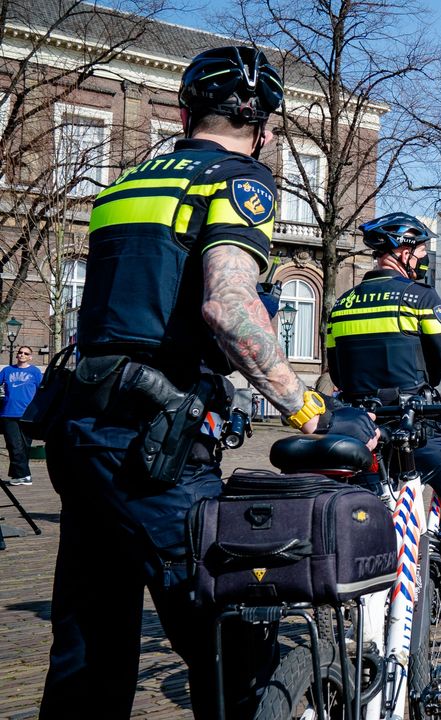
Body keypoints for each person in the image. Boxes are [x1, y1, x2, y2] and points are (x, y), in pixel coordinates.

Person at [38, 46, 375, 719]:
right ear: (261, 122)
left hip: (81, 431)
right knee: (232, 648)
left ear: (188, 111)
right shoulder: (237, 178)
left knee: (90, 649)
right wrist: (307, 409)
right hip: (154, 449)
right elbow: (227, 304)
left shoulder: (126, 185)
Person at [325, 212, 441, 624]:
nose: (422, 260)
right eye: (420, 252)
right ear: (403, 252)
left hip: (362, 430)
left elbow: (336, 371)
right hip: (415, 424)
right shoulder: (419, 297)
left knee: (372, 505)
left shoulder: (341, 306)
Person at [1, 346, 42, 486]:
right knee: (13, 445)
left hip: (28, 414)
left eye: (26, 353)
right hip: (8, 413)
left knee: (24, 446)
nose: (22, 354)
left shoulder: (35, 372)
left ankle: (18, 476)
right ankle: (24, 475)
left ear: (30, 357)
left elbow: (42, 392)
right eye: (20, 352)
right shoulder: (6, 370)